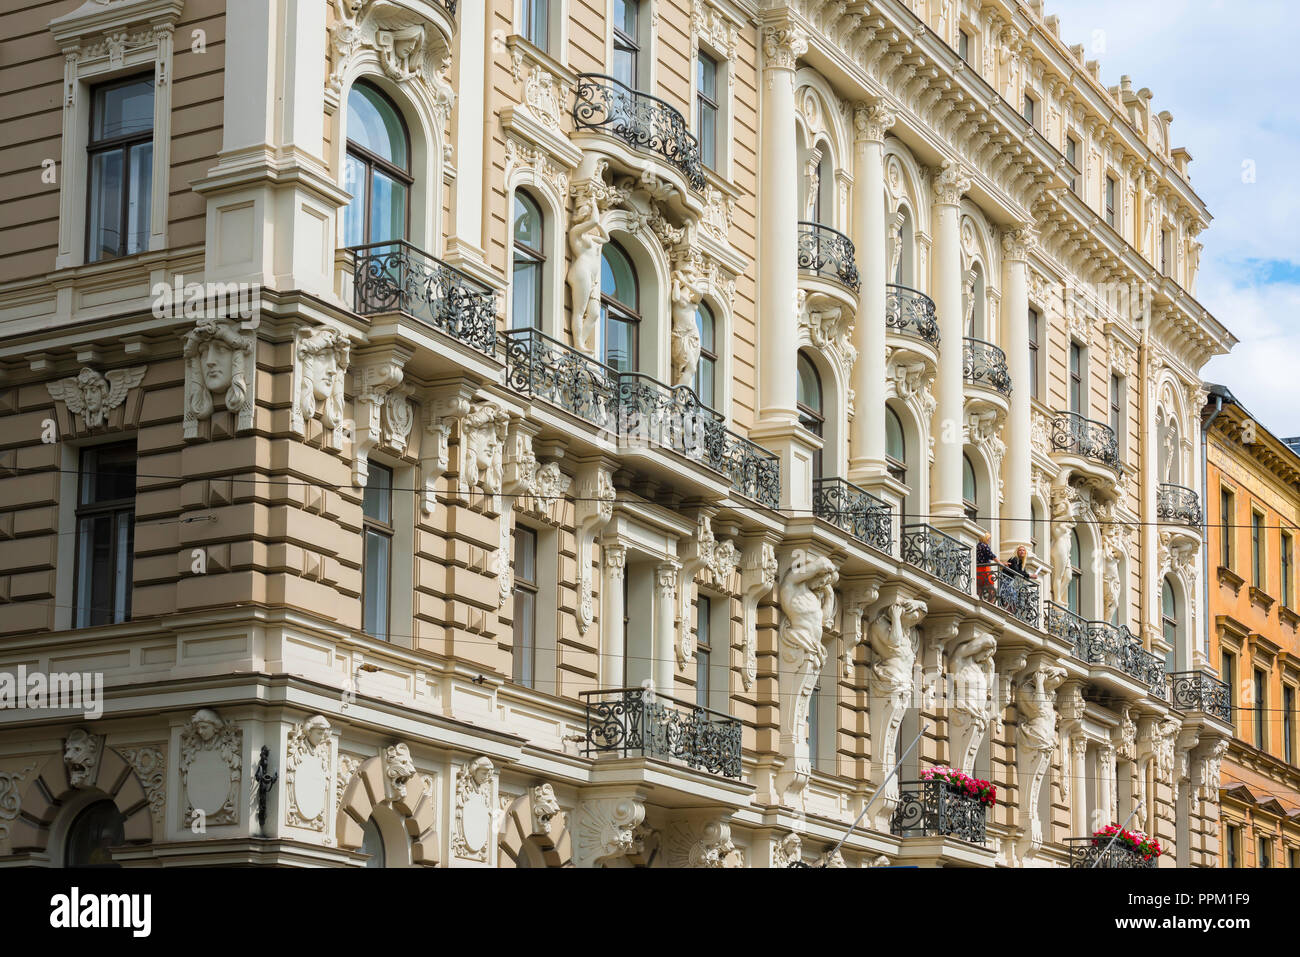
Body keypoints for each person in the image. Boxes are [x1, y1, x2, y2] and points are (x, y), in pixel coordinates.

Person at [975, 531, 999, 602]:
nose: (989, 540)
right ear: (985, 538)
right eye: (989, 538)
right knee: (991, 588)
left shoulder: (977, 546)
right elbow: (992, 556)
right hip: (985, 568)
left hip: (977, 569)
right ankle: (991, 603)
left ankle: (978, 600)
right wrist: (1001, 563)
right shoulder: (985, 546)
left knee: (979, 586)